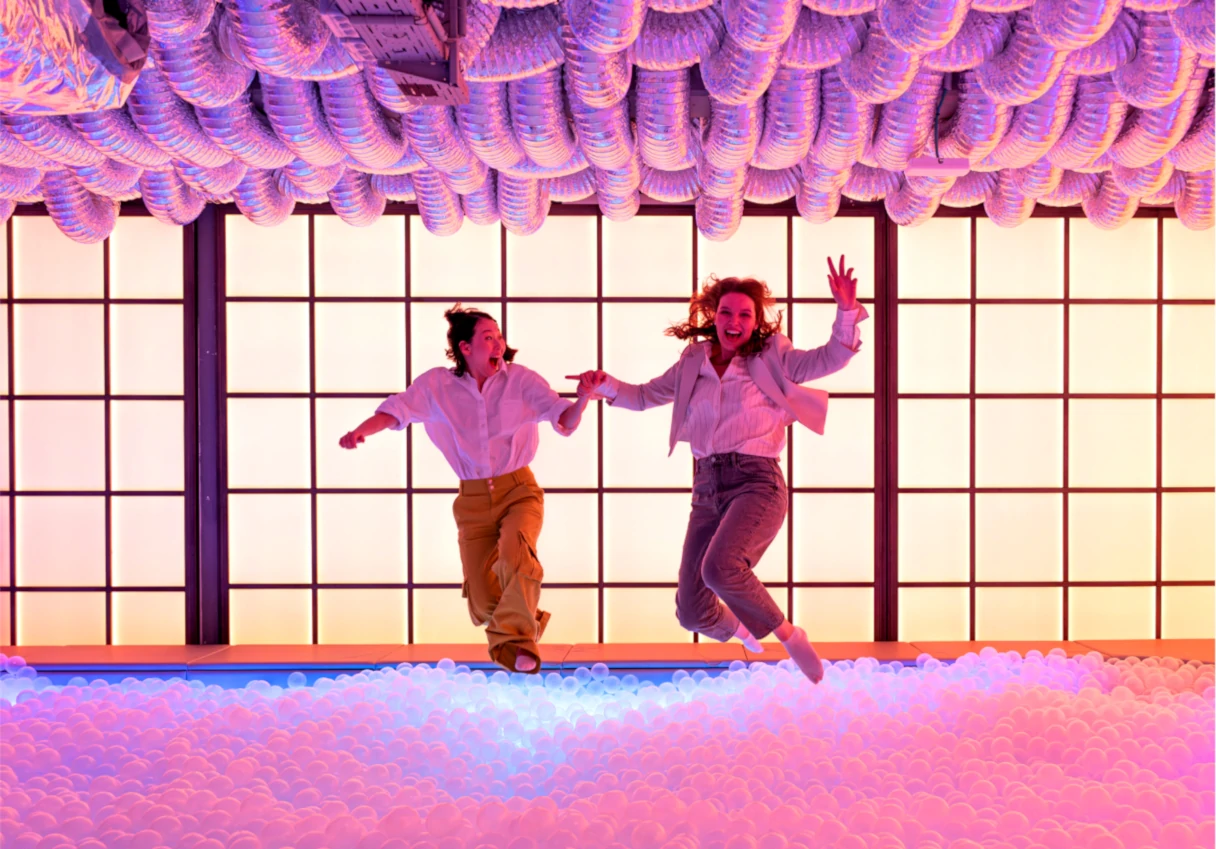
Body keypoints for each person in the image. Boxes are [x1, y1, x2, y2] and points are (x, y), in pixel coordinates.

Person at [570, 256, 866, 683]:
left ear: (756, 322)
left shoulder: (772, 354)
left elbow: (830, 358)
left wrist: (845, 310)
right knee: (691, 612)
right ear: (714, 315)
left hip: (756, 482)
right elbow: (642, 396)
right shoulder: (694, 360)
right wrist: (605, 386)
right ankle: (742, 628)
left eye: (745, 314)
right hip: (706, 487)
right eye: (726, 311)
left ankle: (788, 634)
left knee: (719, 568)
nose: (734, 321)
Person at [340, 305, 592, 674]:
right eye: (487, 337)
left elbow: (563, 420)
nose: (497, 344)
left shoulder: (521, 380)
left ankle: (519, 648)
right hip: (472, 500)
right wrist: (362, 430)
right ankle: (524, 621)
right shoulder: (436, 386)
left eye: (499, 336)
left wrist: (583, 397)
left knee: (515, 555)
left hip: (519, 489)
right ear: (465, 347)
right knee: (482, 599)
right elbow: (397, 411)